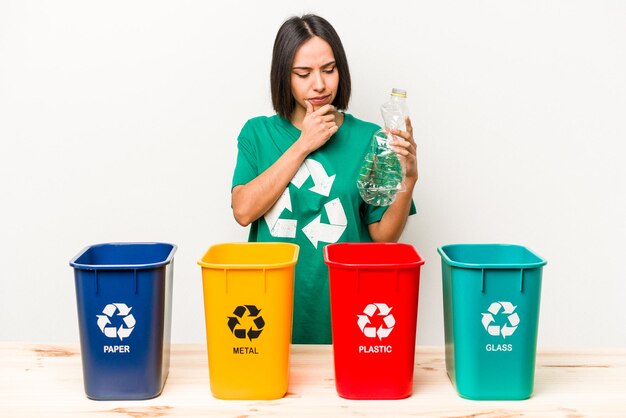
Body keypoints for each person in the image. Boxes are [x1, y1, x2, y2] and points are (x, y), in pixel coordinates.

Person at [231, 14, 418, 344]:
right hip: (270, 312)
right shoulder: (256, 134)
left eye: (329, 70)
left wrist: (409, 179)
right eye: (303, 74)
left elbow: (383, 237)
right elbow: (244, 211)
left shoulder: (370, 138)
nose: (319, 84)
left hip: (352, 309)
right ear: (283, 77)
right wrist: (304, 144)